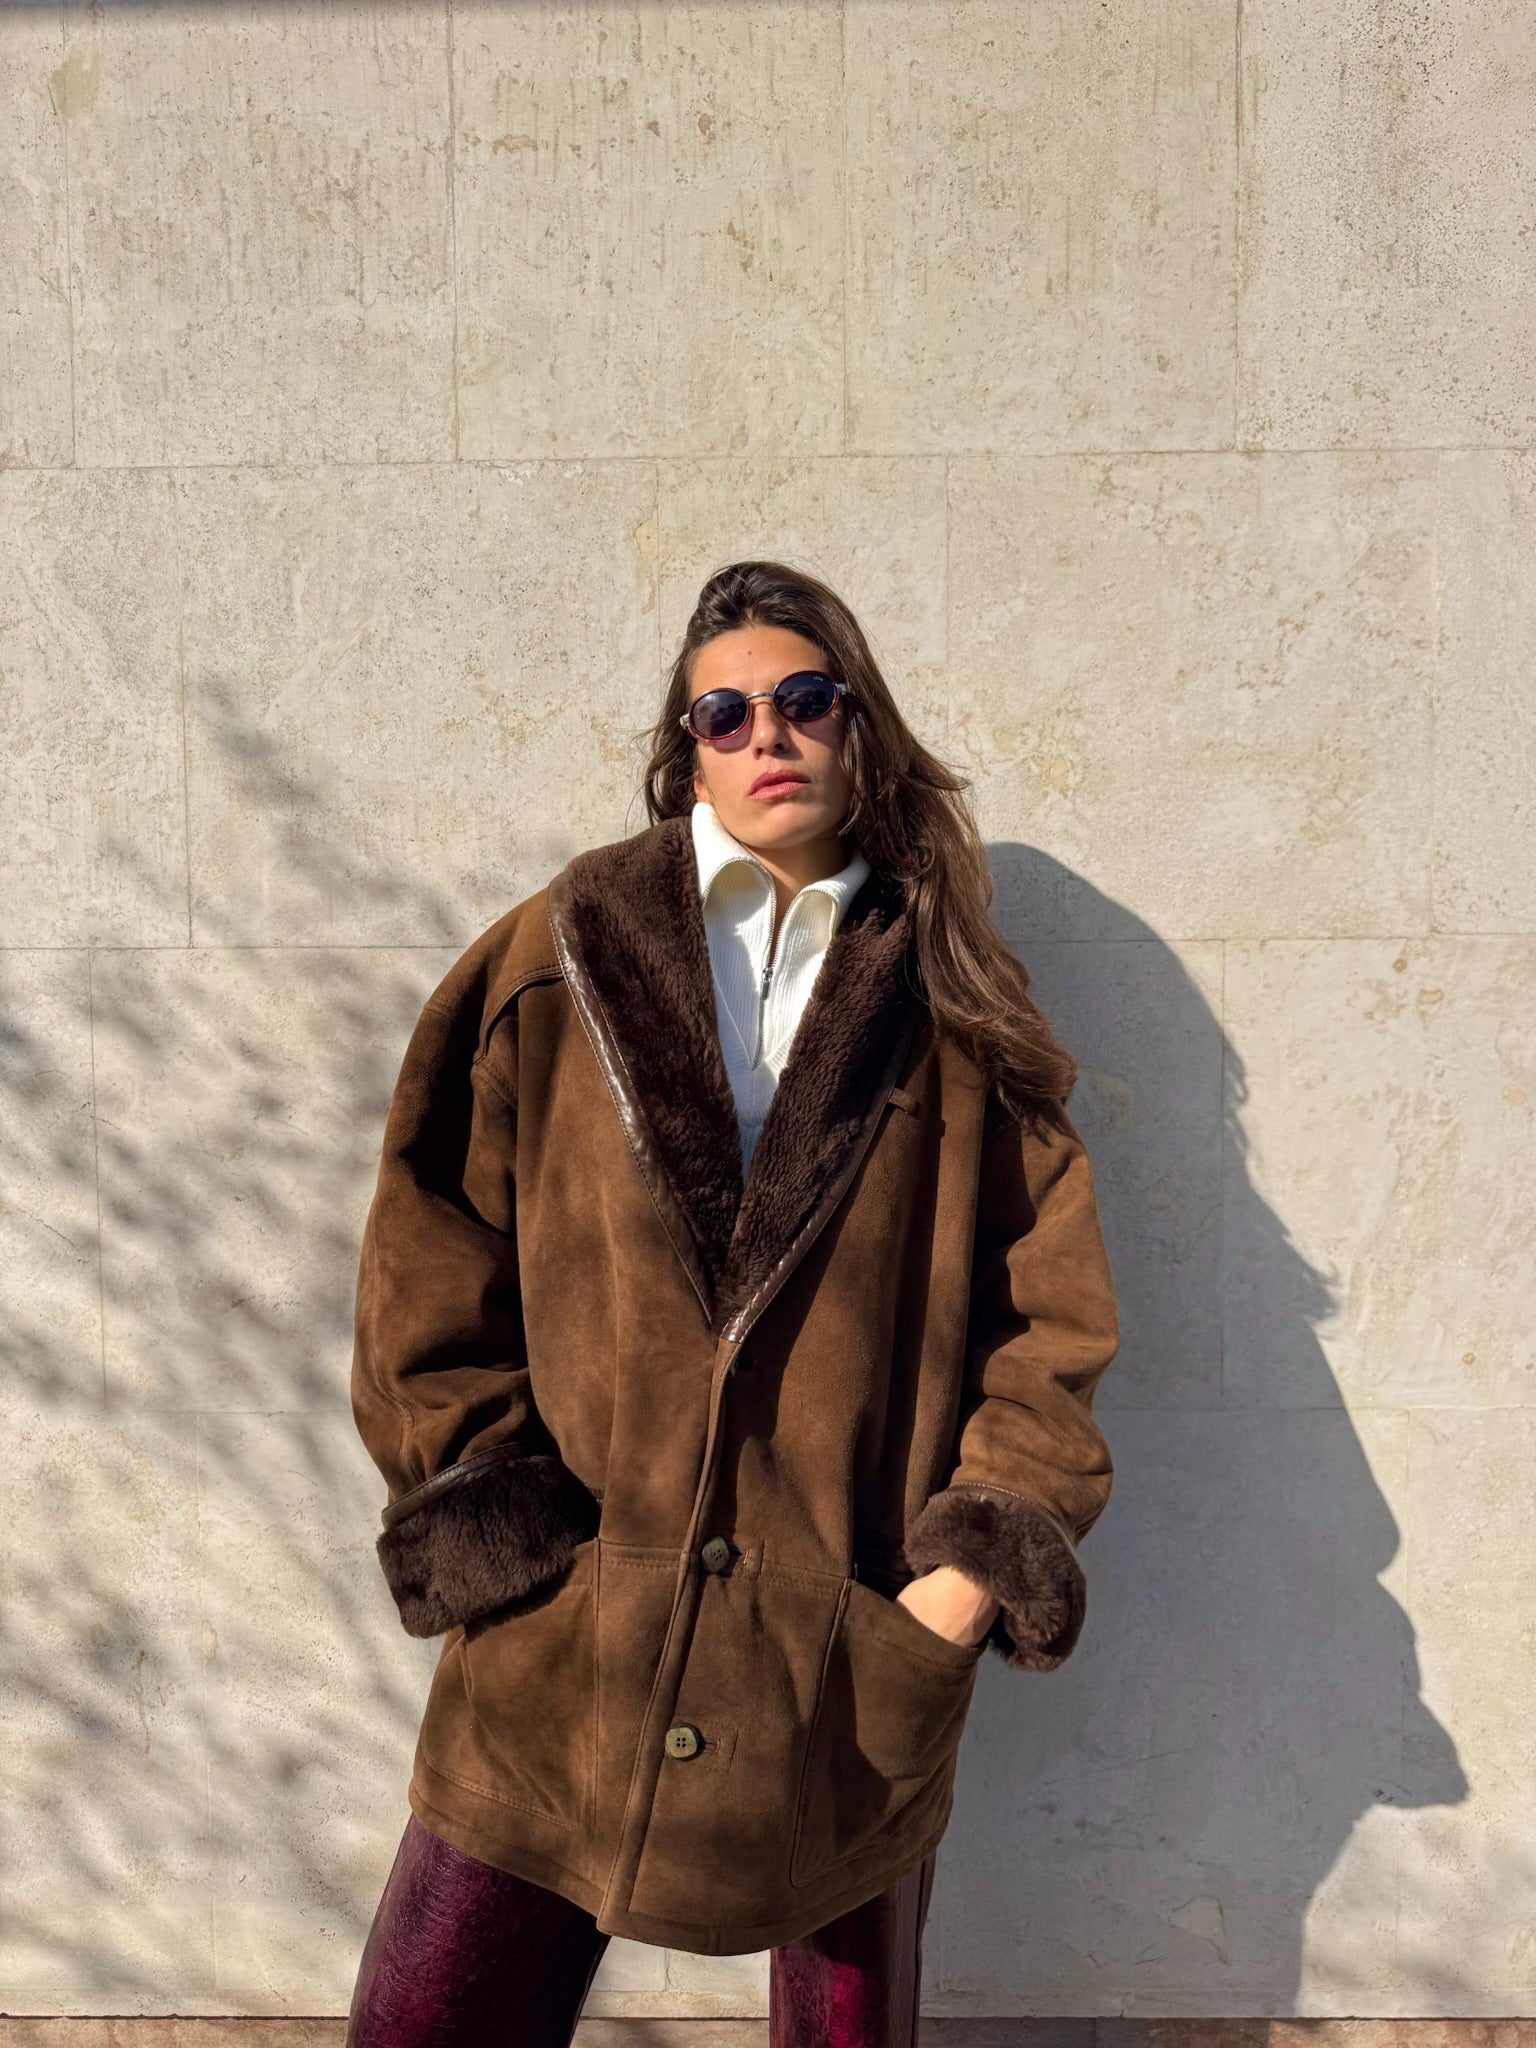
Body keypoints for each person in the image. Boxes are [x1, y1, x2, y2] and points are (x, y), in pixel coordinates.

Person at [345, 560, 1121, 2047]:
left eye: (806, 699)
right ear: (687, 747)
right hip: (565, 1646)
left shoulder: (948, 995)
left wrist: (959, 1582)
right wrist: (500, 1528)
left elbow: (1051, 1314)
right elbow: (429, 1251)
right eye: (726, 712)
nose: (769, 732)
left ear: (858, 724)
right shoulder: (560, 952)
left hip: (846, 1655)